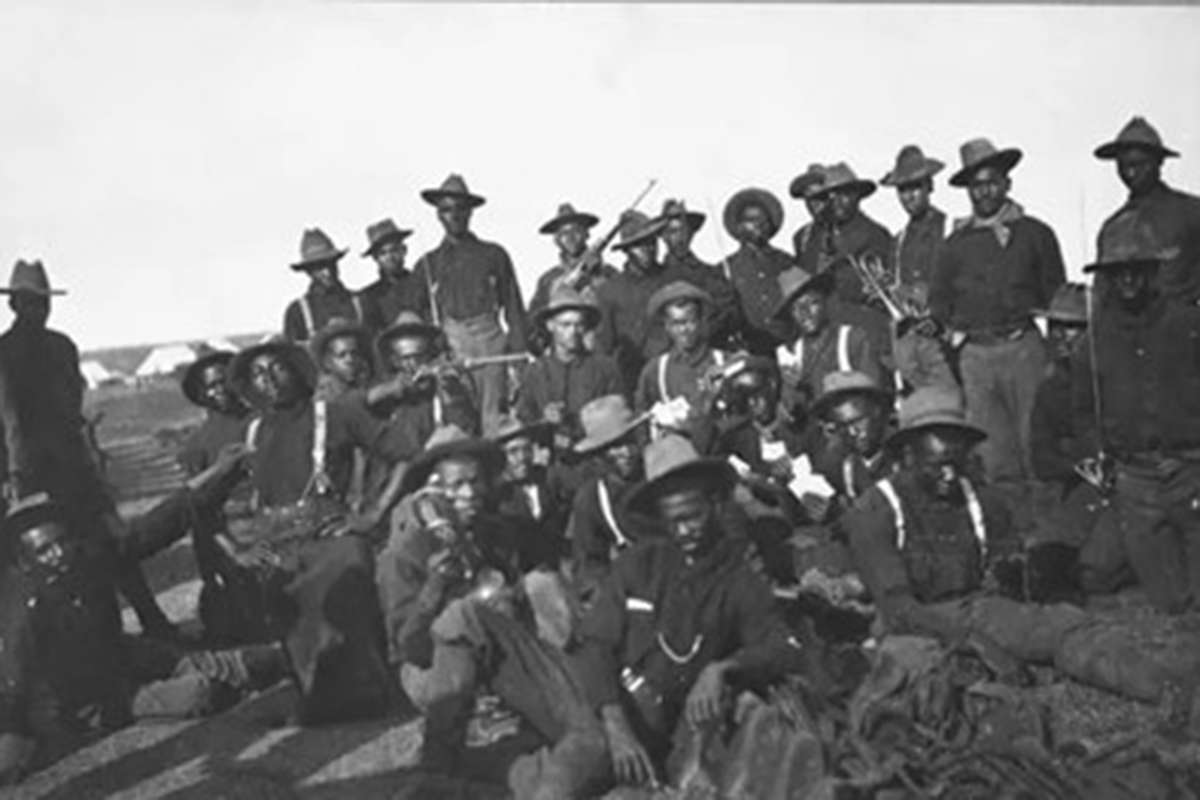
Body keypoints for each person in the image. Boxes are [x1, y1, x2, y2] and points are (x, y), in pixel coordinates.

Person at [845, 385, 1197, 709]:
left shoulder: (980, 500)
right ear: (907, 456)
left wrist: (1011, 597)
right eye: (937, 467)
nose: (950, 477)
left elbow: (1001, 581)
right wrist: (976, 643)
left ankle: (1173, 690)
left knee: (1067, 627)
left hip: (977, 611)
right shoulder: (875, 511)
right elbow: (898, 608)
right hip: (916, 628)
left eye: (957, 464)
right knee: (927, 676)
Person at [0, 464, 288, 782]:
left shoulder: (87, 558)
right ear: (25, 561)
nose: (60, 553)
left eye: (63, 541)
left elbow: (153, 529)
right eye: (44, 550)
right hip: (89, 700)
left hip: (116, 650)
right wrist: (12, 743)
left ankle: (285, 657)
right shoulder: (24, 607)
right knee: (201, 693)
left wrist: (221, 476)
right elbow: (14, 680)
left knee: (210, 662)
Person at [376, 426, 608, 799]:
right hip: (435, 670)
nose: (468, 495)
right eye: (455, 486)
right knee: (463, 618)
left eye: (475, 482)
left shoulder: (499, 532)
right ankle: (444, 761)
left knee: (542, 584)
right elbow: (410, 650)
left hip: (499, 656)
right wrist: (435, 587)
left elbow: (560, 571)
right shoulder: (403, 556)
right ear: (431, 493)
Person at [573, 435, 802, 790]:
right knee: (574, 765)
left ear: (713, 505)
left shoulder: (736, 577)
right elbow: (595, 644)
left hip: (677, 727)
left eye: (692, 517)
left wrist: (723, 668)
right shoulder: (639, 564)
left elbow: (779, 646)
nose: (684, 531)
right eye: (673, 521)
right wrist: (616, 726)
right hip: (612, 709)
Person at [211, 338, 420, 724]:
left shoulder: (336, 414)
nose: (269, 379)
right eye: (258, 374)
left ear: (298, 371)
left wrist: (373, 515)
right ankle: (314, 699)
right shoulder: (250, 431)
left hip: (331, 536)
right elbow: (206, 498)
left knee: (345, 582)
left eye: (277, 368)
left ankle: (371, 697)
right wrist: (237, 550)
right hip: (276, 545)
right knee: (288, 613)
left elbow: (406, 454)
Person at [0, 260, 173, 639]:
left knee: (109, 543)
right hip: (28, 474)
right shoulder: (3, 352)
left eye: (43, 302)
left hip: (71, 466)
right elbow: (9, 421)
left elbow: (72, 412)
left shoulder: (63, 347)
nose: (39, 310)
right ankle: (87, 645)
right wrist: (14, 478)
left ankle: (152, 624)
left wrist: (90, 467)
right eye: (30, 302)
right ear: (14, 305)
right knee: (50, 560)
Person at [930, 138, 1066, 532]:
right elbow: (938, 304)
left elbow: (1057, 298)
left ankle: (1053, 541)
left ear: (1007, 183)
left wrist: (1056, 357)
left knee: (1037, 445)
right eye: (976, 185)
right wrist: (954, 342)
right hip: (976, 356)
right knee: (994, 454)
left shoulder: (1035, 233)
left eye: (992, 182)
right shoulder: (954, 245)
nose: (984, 192)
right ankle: (1015, 543)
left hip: (1024, 347)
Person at [1073, 236, 1200, 614]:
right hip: (1134, 480)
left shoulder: (1188, 324)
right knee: (1167, 599)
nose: (1127, 280)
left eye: (1136, 271)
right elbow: (1082, 412)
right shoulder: (1092, 341)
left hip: (1190, 470)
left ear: (1152, 272)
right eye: (1117, 273)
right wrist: (1101, 458)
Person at [413, 174, 527, 433]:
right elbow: (417, 320)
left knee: (496, 425)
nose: (454, 216)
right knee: (458, 426)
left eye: (460, 209)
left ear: (471, 212)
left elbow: (515, 310)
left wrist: (518, 362)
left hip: (492, 350)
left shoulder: (494, 255)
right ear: (438, 215)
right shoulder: (428, 265)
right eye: (446, 210)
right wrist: (435, 352)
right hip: (452, 353)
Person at [1028, 284, 1122, 598]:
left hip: (1134, 490)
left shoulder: (1121, 377)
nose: (1062, 336)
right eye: (1056, 327)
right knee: (1045, 560)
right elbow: (1041, 458)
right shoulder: (1050, 385)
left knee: (1098, 571)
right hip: (1080, 487)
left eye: (1075, 328)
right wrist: (1081, 464)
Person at [1094, 116, 1200, 305]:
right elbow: (1102, 295)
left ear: (1159, 163)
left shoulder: (1190, 212)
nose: (1131, 173)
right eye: (1123, 166)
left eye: (1139, 164)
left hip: (1182, 327)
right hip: (1127, 330)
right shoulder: (1111, 229)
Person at [879, 145, 956, 392]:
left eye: (916, 187)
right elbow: (895, 297)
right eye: (903, 189)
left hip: (947, 344)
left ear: (930, 187)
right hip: (911, 350)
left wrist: (941, 319)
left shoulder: (952, 229)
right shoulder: (898, 242)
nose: (909, 196)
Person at [564, 396, 651, 599]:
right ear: (598, 454)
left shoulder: (660, 472)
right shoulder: (592, 498)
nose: (627, 452)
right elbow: (588, 566)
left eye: (630, 442)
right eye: (615, 446)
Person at [515, 287, 623, 450]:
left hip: (596, 459)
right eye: (565, 325)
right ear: (550, 325)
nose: (573, 332)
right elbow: (524, 424)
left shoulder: (605, 369)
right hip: (550, 464)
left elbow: (618, 419)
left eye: (579, 325)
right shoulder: (534, 373)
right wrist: (543, 421)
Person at [774, 266, 884, 419]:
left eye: (812, 303)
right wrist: (794, 390)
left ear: (825, 303)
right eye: (796, 308)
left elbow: (874, 395)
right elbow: (792, 416)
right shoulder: (794, 355)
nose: (804, 313)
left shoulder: (852, 339)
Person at [634, 282, 726, 450]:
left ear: (701, 322)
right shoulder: (655, 370)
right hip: (677, 459)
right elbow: (642, 419)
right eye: (677, 323)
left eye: (691, 321)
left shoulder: (722, 361)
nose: (684, 330)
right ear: (667, 327)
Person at [594, 211, 673, 391]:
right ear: (627, 249)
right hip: (632, 380)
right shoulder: (610, 291)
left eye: (652, 242)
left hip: (673, 373)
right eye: (639, 244)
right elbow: (603, 346)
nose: (648, 249)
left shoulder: (674, 281)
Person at [797, 162, 893, 308]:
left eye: (845, 194)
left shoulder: (876, 235)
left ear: (858, 196)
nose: (838, 202)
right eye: (831, 196)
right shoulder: (810, 237)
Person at [527, 203, 617, 353]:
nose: (570, 238)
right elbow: (535, 321)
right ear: (556, 240)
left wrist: (597, 277)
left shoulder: (609, 274)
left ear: (586, 234)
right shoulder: (548, 280)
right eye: (564, 234)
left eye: (576, 231)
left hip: (603, 353)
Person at [655, 199, 743, 351]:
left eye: (684, 231)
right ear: (663, 237)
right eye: (673, 232)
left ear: (691, 234)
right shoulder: (656, 277)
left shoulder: (711, 273)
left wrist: (704, 331)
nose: (680, 237)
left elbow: (731, 313)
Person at [490, 416, 570, 573]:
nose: (522, 458)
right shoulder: (497, 494)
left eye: (527, 450)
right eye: (513, 452)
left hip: (554, 572)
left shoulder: (548, 479)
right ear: (500, 456)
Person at [723, 187, 793, 355]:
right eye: (751, 220)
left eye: (764, 220)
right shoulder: (727, 268)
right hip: (751, 351)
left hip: (788, 349)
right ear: (739, 227)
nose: (759, 224)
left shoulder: (786, 262)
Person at [810, 370, 894, 505]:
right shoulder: (844, 465)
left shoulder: (905, 456)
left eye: (858, 421)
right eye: (842, 426)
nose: (853, 432)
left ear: (877, 412)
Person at [282, 228, 366, 344]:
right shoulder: (297, 312)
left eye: (331, 264)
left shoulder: (360, 302)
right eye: (320, 267)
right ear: (309, 271)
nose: (327, 272)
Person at [358, 218, 430, 332]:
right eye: (383, 253)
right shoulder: (370, 296)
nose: (390, 257)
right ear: (376, 258)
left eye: (394, 250)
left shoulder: (421, 283)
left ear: (404, 250)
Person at [309, 318, 372, 401]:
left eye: (354, 353)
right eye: (342, 355)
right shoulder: (322, 399)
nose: (350, 360)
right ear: (328, 363)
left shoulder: (366, 386)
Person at [788, 163, 829, 262]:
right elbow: (802, 273)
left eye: (821, 196)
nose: (815, 203)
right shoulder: (802, 237)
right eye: (809, 197)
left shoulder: (857, 230)